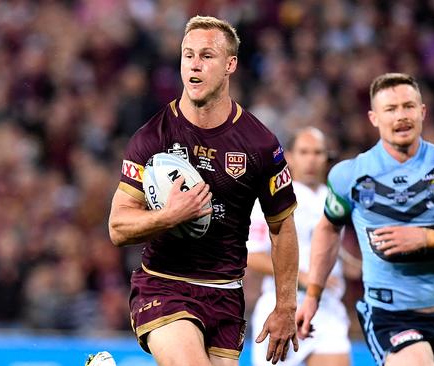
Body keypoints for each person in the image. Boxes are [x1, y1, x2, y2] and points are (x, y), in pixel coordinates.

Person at [108, 15, 300, 366]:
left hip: (225, 295)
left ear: (230, 64)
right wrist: (170, 215)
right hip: (164, 285)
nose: (194, 65)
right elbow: (118, 227)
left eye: (206, 56)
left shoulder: (259, 144)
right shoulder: (152, 138)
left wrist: (285, 305)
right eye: (187, 55)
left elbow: (282, 227)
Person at [295, 73, 434, 366]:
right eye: (391, 109)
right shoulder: (349, 174)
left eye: (408, 106)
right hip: (388, 314)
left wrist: (427, 238)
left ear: (422, 112)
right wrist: (313, 294)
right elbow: (328, 229)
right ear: (374, 118)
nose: (401, 116)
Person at [247, 127, 354, 366]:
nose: (311, 159)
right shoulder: (271, 198)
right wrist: (304, 278)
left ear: (327, 158)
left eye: (318, 152)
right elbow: (252, 256)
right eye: (304, 152)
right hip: (281, 306)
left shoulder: (334, 198)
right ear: (290, 157)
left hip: (327, 308)